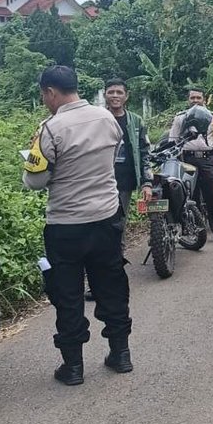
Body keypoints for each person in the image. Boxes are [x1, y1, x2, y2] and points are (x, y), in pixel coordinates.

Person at [23, 66, 134, 386]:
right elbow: (112, 158)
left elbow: (36, 180)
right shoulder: (107, 119)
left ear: (50, 92)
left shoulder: (50, 128)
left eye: (44, 95)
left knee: (67, 294)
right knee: (112, 286)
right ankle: (121, 354)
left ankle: (73, 368)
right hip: (106, 219)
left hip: (66, 226)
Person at [83, 78, 152, 301]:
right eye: (111, 92)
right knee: (94, 232)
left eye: (119, 92)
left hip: (123, 185)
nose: (115, 96)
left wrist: (147, 182)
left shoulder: (135, 121)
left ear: (126, 96)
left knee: (115, 230)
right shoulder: (95, 119)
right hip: (96, 183)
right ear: (105, 95)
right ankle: (98, 281)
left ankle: (110, 279)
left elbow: (144, 151)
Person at [169, 87, 213, 244]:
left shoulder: (212, 117)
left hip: (207, 159)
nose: (195, 101)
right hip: (186, 160)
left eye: (198, 98)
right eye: (192, 98)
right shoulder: (180, 118)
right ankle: (192, 230)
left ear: (204, 99)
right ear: (188, 100)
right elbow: (172, 140)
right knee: (189, 196)